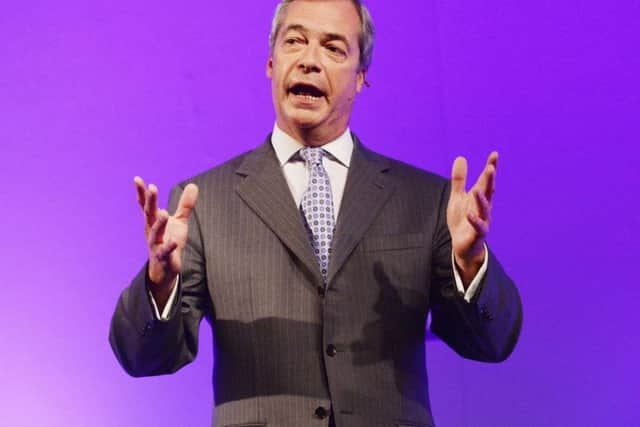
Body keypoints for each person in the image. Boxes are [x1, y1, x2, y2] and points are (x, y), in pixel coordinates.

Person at [109, 0, 523, 426]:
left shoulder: (424, 200)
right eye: (295, 41)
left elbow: (492, 342)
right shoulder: (206, 203)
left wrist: (470, 267)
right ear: (271, 62)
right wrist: (160, 283)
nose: (309, 61)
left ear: (361, 77)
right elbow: (142, 357)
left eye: (333, 48)